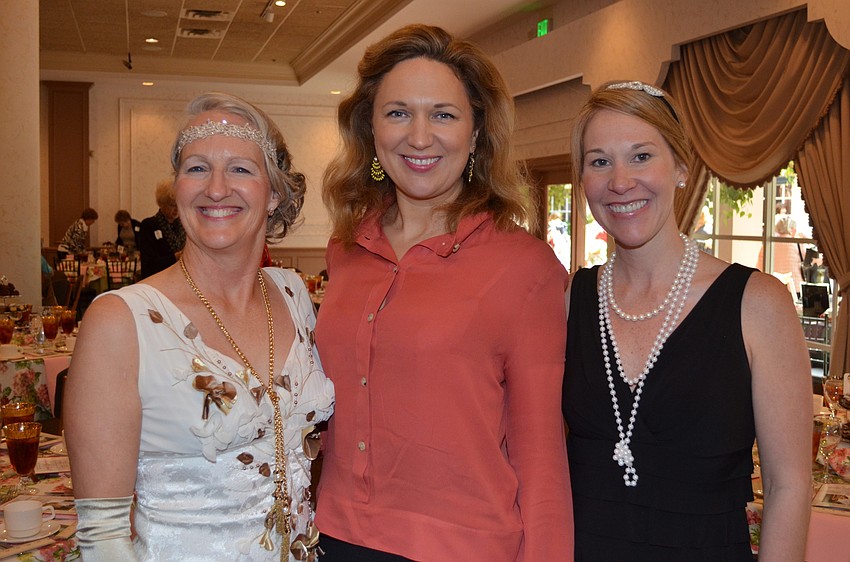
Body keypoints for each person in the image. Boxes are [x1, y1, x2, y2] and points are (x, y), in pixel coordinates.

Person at [314, 24, 573, 561]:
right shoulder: (345, 250)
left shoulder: (525, 267)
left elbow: (542, 457)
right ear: (371, 129)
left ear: (477, 133)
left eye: (444, 114)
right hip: (335, 537)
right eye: (398, 112)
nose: (419, 135)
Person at [64, 92, 335, 561]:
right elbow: (103, 536)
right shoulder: (119, 321)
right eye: (196, 168)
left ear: (274, 195)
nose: (215, 188)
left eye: (241, 169)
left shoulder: (293, 297)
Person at [563, 80, 812, 560]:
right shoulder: (572, 298)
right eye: (599, 162)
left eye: (640, 156)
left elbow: (790, 487)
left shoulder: (758, 305)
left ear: (680, 167)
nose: (619, 181)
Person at [137, 179, 186, 279]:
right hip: (157, 281)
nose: (177, 209)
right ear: (162, 203)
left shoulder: (184, 226)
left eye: (179, 204)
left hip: (180, 280)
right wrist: (176, 257)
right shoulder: (148, 225)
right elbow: (149, 264)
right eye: (172, 205)